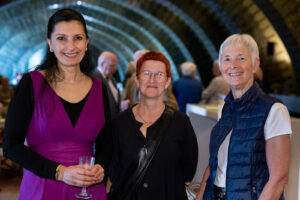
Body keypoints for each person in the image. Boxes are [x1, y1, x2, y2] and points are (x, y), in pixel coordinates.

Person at [3, 8, 112, 200]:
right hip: (43, 185)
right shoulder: (32, 83)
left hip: (88, 188)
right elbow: (11, 146)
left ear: (86, 43)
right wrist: (60, 172)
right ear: (50, 44)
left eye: (78, 38)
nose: (71, 46)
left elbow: (106, 144)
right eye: (61, 38)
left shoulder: (98, 88)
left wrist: (101, 167)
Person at [196, 34, 291, 200]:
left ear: (255, 64)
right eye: (226, 59)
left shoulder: (274, 110)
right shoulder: (224, 109)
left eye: (241, 58)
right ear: (221, 66)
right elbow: (214, 164)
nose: (233, 65)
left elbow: (279, 179)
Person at [109, 51, 198, 200]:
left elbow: (188, 168)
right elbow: (113, 169)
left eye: (159, 74)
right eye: (146, 73)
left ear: (167, 81)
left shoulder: (181, 122)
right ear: (137, 79)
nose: (152, 79)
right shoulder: (119, 123)